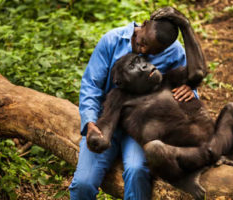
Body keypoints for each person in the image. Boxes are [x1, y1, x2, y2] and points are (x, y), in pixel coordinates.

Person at [69, 9, 198, 200]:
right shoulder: (112, 40)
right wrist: (89, 122)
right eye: (144, 44)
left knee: (137, 171)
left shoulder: (174, 50)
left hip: (142, 129)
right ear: (144, 24)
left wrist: (189, 89)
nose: (144, 51)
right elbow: (91, 85)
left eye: (153, 52)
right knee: (83, 184)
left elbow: (188, 83)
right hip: (106, 121)